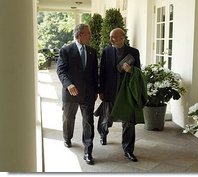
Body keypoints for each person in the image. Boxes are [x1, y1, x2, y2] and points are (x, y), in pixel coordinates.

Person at [99, 28, 147, 162]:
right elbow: (102, 72)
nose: (111, 39)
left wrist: (131, 70)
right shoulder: (106, 51)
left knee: (128, 122)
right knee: (106, 118)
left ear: (122, 37)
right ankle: (103, 134)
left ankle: (128, 150)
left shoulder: (134, 52)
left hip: (126, 93)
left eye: (114, 37)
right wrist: (101, 90)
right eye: (111, 37)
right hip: (110, 91)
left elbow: (138, 71)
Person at [56, 24, 98, 165]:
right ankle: (67, 137)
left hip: (88, 94)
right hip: (71, 93)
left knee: (88, 122)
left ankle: (88, 151)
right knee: (69, 118)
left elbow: (94, 74)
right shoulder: (66, 50)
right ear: (79, 35)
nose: (90, 35)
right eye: (88, 33)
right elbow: (61, 71)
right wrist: (68, 84)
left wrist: (96, 91)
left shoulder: (92, 51)